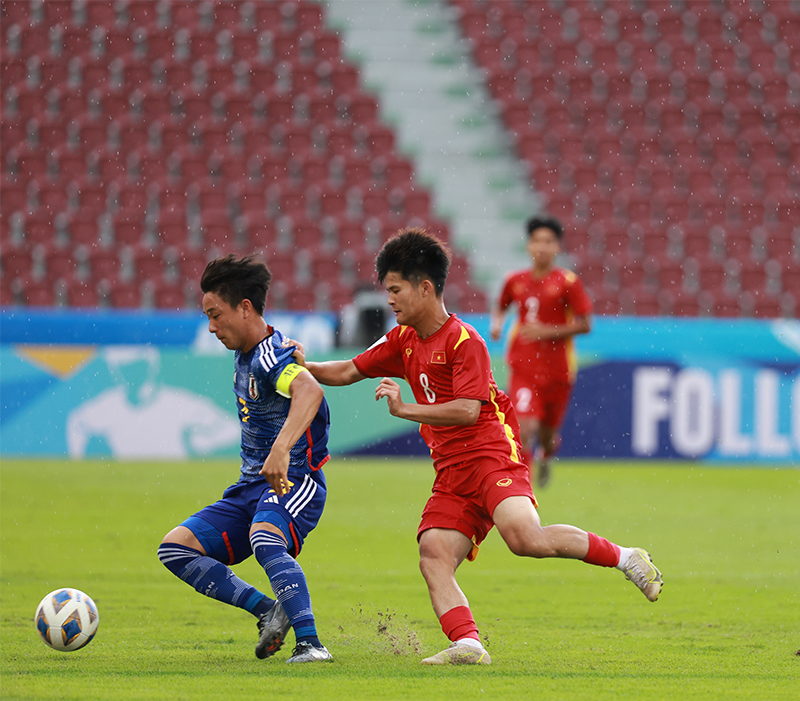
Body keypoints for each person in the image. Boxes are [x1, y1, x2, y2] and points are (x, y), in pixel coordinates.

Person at [289, 228, 662, 666]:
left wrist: (405, 410)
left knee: (525, 539)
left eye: (395, 290)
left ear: (424, 288)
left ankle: (625, 557)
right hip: (451, 469)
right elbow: (350, 370)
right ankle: (468, 643)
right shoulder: (401, 340)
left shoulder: (465, 341)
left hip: (491, 453)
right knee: (434, 554)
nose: (389, 300)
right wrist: (305, 364)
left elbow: (467, 410)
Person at [158, 254, 333, 664]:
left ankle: (311, 645)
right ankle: (267, 609)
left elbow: (310, 392)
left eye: (215, 315)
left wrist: (281, 447)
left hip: (293, 479)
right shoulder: (246, 356)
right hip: (251, 487)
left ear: (245, 308)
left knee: (265, 537)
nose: (211, 327)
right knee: (176, 549)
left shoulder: (271, 355)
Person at [490, 216, 592, 488]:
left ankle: (546, 455)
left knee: (547, 436)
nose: (542, 247)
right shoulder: (515, 280)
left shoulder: (568, 282)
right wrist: (497, 324)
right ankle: (523, 491)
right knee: (523, 430)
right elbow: (501, 305)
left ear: (557, 247)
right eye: (537, 241)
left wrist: (546, 331)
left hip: (558, 371)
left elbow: (585, 325)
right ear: (528, 246)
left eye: (548, 241)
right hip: (523, 366)